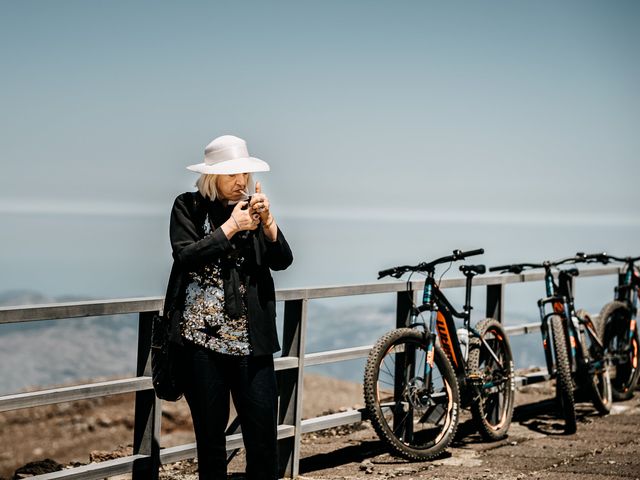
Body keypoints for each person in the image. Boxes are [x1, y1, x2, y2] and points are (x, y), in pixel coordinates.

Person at [162, 134, 293, 479]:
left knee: (264, 436)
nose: (241, 181)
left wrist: (267, 224)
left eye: (244, 174)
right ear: (212, 177)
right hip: (200, 346)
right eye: (232, 173)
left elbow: (282, 260)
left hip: (253, 345)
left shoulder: (253, 209)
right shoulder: (187, 206)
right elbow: (186, 255)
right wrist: (233, 227)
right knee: (210, 442)